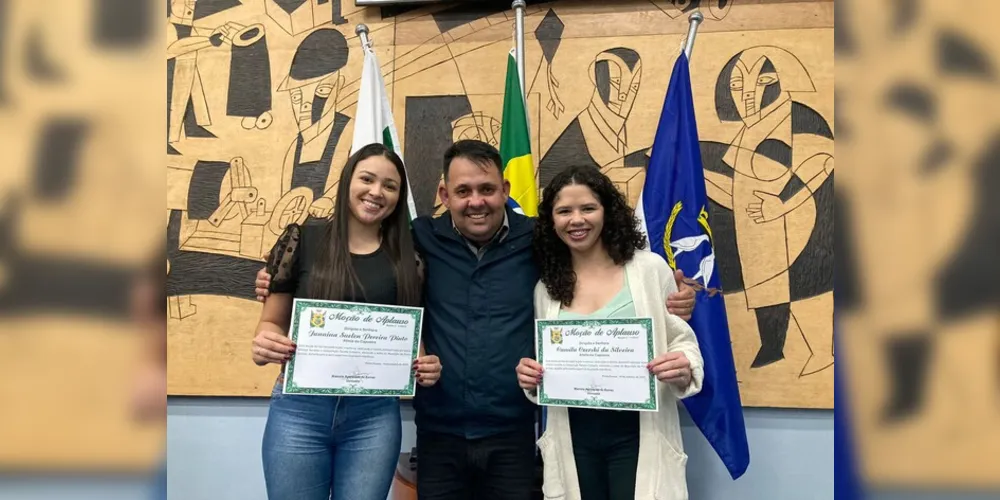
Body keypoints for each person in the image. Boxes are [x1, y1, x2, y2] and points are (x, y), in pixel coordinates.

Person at [254, 140, 696, 500]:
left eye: (486, 189)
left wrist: (673, 300)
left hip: (513, 431)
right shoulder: (416, 242)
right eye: (463, 191)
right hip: (439, 431)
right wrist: (275, 283)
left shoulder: (543, 240)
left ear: (505, 189)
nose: (476, 201)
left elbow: (601, 273)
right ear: (444, 195)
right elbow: (361, 275)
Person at [250, 143, 443, 500]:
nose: (376, 192)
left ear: (399, 197)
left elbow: (410, 341)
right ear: (347, 182)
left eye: (390, 186)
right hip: (299, 410)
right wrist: (265, 342)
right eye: (367, 179)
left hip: (373, 417)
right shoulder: (302, 239)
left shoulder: (409, 258)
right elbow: (270, 323)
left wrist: (426, 363)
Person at [516, 165, 703, 500]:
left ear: (607, 211)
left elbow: (680, 339)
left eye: (588, 208)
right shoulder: (546, 288)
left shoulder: (649, 270)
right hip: (574, 437)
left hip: (638, 434)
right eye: (564, 211)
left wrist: (683, 365)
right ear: (551, 221)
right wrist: (532, 377)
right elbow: (545, 362)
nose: (576, 220)